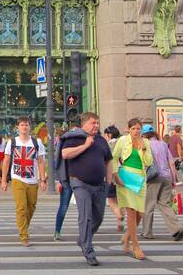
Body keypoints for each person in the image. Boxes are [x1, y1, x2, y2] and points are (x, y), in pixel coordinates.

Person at [61, 112, 113, 267]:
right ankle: (89, 252)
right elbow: (65, 154)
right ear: (84, 124)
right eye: (93, 123)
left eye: (97, 123)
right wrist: (85, 145)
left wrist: (108, 182)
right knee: (86, 216)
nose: (96, 125)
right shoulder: (74, 138)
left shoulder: (102, 140)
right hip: (80, 183)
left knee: (98, 217)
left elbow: (108, 161)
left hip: (99, 185)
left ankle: (83, 238)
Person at [111, 118, 154, 260]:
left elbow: (148, 162)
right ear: (128, 129)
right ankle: (135, 246)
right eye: (133, 129)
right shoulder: (123, 141)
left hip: (140, 178)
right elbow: (113, 157)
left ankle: (127, 235)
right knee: (131, 211)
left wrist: (143, 148)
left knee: (140, 213)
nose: (136, 131)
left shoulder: (146, 142)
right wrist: (115, 174)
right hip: (126, 177)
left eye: (138, 129)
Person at [1, 116, 47, 246]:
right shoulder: (12, 142)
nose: (24, 127)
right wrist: (4, 180)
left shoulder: (36, 142)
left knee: (31, 207)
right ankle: (24, 236)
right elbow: (6, 161)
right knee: (21, 207)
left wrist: (43, 179)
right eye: (22, 125)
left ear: (30, 127)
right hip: (17, 179)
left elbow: (41, 161)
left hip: (32, 180)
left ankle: (23, 227)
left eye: (26, 125)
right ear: (17, 127)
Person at [141, 125, 183, 241]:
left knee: (149, 205)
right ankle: (177, 228)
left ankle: (147, 232)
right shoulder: (163, 144)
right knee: (165, 204)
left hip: (153, 177)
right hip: (166, 177)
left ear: (144, 135)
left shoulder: (145, 144)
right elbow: (171, 162)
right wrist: (174, 179)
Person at [53, 120, 79, 241]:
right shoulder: (64, 141)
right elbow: (57, 161)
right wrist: (58, 180)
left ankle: (87, 230)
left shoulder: (86, 141)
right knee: (63, 206)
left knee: (85, 207)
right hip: (66, 179)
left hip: (80, 179)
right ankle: (57, 230)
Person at [104, 126, 125, 231]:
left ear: (109, 134)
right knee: (121, 199)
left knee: (111, 199)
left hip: (113, 173)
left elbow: (107, 161)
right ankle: (119, 221)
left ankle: (118, 215)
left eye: (105, 134)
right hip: (125, 173)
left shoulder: (108, 145)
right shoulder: (124, 142)